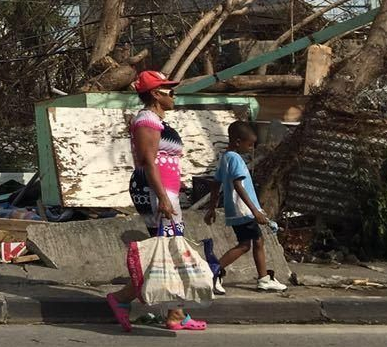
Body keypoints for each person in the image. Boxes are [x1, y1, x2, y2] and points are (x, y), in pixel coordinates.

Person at [105, 70, 207, 332]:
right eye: (168, 90)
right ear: (155, 94)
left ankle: (175, 313)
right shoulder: (146, 120)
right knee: (168, 250)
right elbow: (148, 161)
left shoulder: (159, 121)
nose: (173, 94)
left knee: (172, 249)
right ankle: (122, 299)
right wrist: (162, 197)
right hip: (154, 192)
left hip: (166, 191)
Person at [205, 120, 287, 294]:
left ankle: (264, 278)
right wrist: (254, 210)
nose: (251, 149)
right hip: (243, 210)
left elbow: (215, 184)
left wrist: (212, 208)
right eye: (249, 145)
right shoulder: (235, 158)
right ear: (237, 142)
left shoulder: (225, 157)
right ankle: (214, 271)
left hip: (235, 210)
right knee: (245, 245)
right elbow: (238, 185)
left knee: (257, 241)